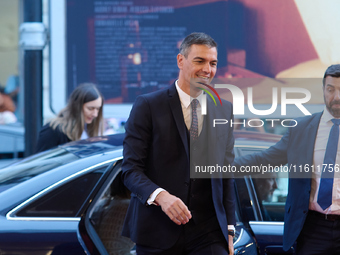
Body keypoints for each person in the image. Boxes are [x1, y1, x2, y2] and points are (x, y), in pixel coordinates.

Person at [121, 32, 236, 255]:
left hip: (209, 233)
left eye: (213, 63)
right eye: (199, 61)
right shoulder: (148, 106)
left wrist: (230, 228)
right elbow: (130, 170)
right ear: (180, 61)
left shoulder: (224, 109)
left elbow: (227, 174)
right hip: (157, 231)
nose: (207, 70)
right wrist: (161, 197)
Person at [234, 64, 340, 254]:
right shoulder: (302, 129)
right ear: (323, 89)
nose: (336, 97)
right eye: (331, 89)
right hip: (313, 229)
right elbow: (265, 159)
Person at [35, 83, 104, 153]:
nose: (95, 114)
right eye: (90, 108)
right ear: (77, 107)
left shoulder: (90, 128)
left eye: (98, 109)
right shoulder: (52, 130)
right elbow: (41, 160)